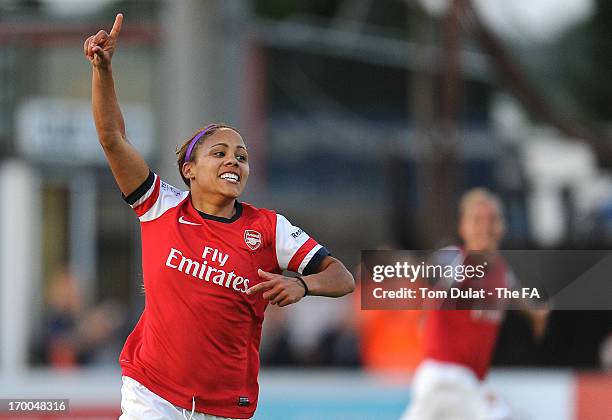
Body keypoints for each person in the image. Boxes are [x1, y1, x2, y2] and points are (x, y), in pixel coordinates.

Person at [83, 14, 355, 420]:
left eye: (241, 156)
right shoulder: (160, 206)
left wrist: (302, 284)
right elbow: (112, 137)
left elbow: (343, 277)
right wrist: (103, 70)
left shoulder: (268, 228)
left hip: (227, 404)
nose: (234, 161)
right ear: (189, 169)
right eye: (220, 153)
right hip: (151, 393)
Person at [400, 188, 547, 420]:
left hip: (469, 385)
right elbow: (427, 271)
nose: (485, 227)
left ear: (503, 226)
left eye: (493, 219)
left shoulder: (502, 272)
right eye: (477, 220)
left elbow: (514, 294)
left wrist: (535, 314)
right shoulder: (455, 259)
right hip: (445, 378)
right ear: (463, 228)